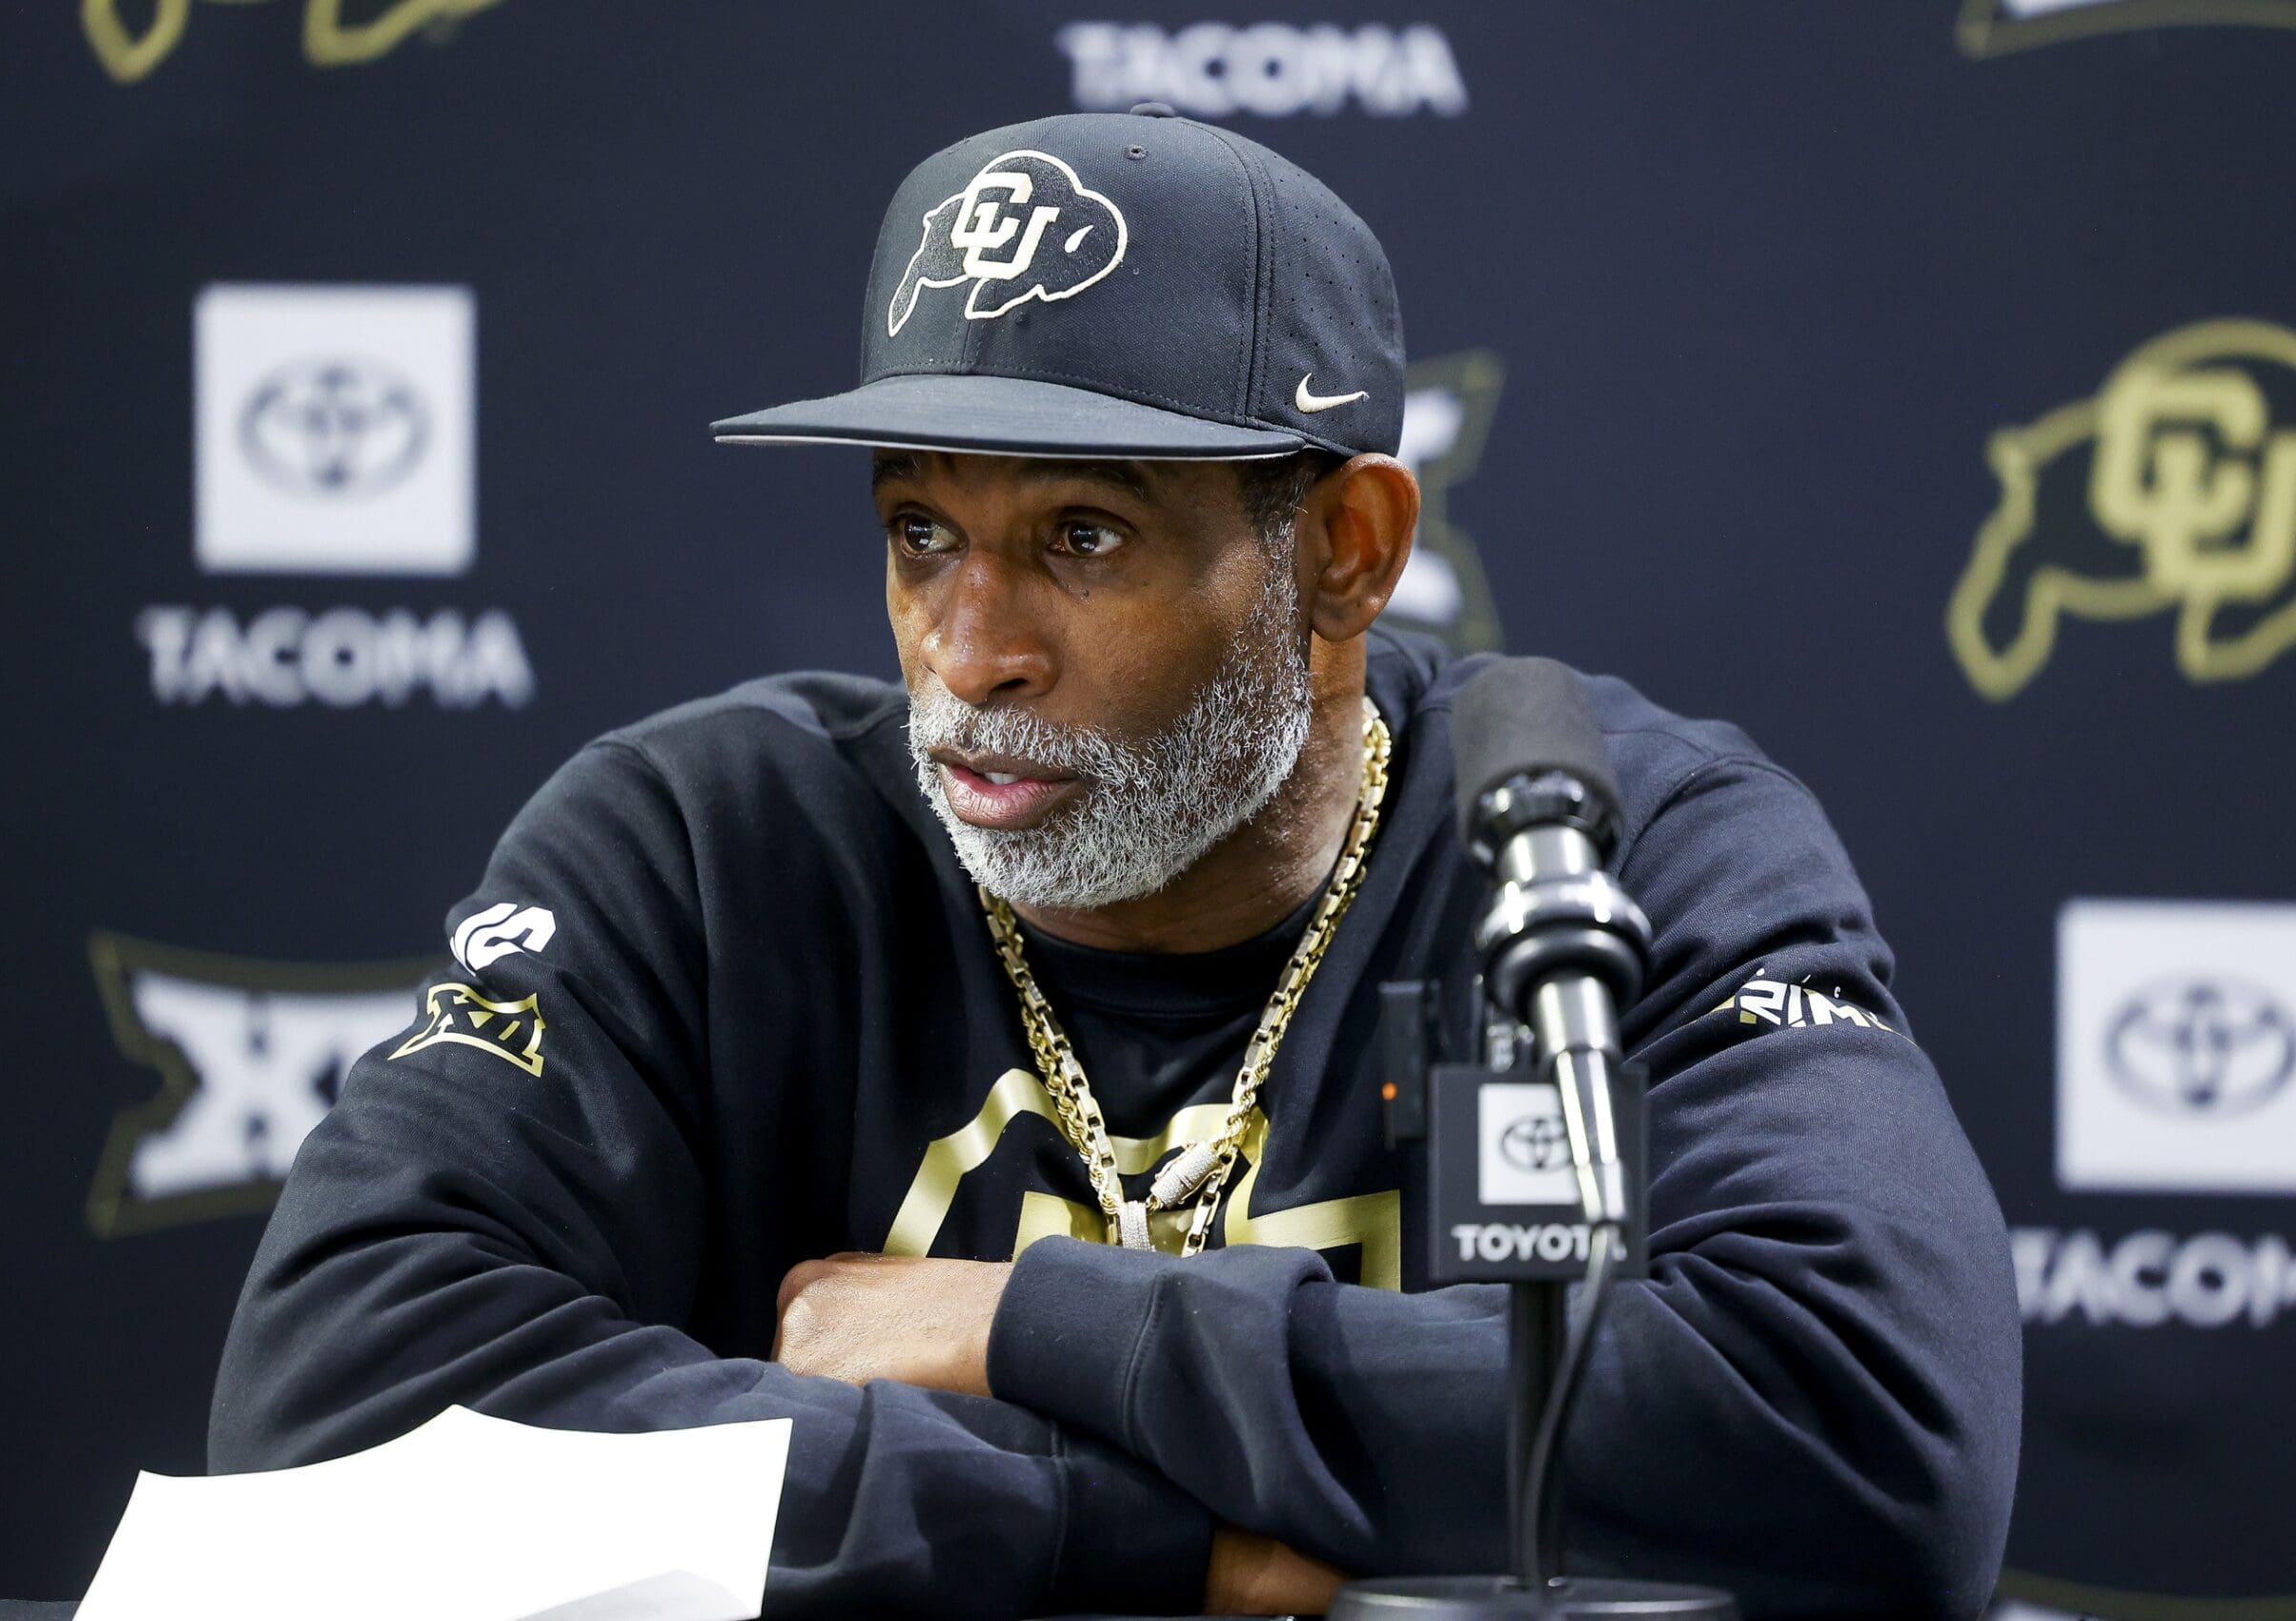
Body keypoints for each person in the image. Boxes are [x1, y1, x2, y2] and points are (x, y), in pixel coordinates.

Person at [210, 108, 2021, 1619]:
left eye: (1082, 534)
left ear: (1345, 550)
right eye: (923, 530)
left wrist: (1027, 1323)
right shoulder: (703, 846)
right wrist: (1132, 1528)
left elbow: (1872, 1425)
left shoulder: (1589, 840)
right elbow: (337, 1409)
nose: (968, 649)